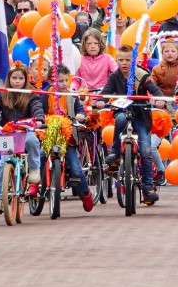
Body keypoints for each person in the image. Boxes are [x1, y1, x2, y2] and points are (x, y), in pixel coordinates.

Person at [101, 45, 166, 203]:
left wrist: (160, 99)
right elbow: (106, 92)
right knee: (121, 119)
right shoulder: (114, 76)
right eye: (121, 60)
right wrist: (100, 101)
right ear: (116, 60)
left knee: (145, 149)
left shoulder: (141, 75)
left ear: (134, 61)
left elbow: (155, 90)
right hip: (123, 111)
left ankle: (148, 186)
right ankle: (116, 151)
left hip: (140, 115)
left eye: (128, 60)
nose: (124, 63)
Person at [0, 64, 47, 210]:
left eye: (21, 78)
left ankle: (34, 169)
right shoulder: (2, 94)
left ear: (26, 80)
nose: (17, 81)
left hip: (25, 130)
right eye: (14, 78)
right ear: (9, 79)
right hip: (8, 132)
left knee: (32, 140)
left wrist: (39, 120)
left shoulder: (31, 94)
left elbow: (37, 107)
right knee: (2, 164)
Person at [41, 65, 96, 212]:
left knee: (77, 169)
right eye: (60, 81)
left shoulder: (72, 95)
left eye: (66, 80)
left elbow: (80, 110)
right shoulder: (46, 94)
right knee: (40, 156)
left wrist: (81, 115)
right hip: (49, 136)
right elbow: (38, 109)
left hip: (68, 138)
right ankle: (38, 184)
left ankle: (86, 193)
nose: (64, 84)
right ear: (52, 81)